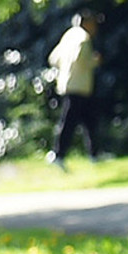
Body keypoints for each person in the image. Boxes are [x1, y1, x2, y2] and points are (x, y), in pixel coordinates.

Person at [45, 10, 104, 163]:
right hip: (79, 85)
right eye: (93, 23)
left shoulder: (68, 35)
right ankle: (58, 155)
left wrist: (65, 69)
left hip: (68, 84)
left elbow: (53, 58)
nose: (95, 27)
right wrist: (95, 61)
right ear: (87, 23)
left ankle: (94, 154)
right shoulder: (84, 38)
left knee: (89, 121)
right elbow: (82, 60)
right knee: (69, 122)